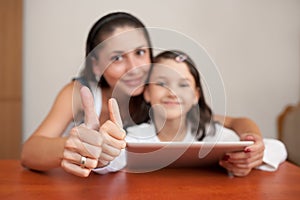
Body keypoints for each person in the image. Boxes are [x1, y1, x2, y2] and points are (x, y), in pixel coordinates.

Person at [21, 12, 265, 177]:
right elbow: (30, 152)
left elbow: (230, 121)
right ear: (96, 65)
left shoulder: (154, 92)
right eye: (117, 58)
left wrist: (252, 141)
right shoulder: (80, 93)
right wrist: (77, 146)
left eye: (139, 53)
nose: (134, 68)